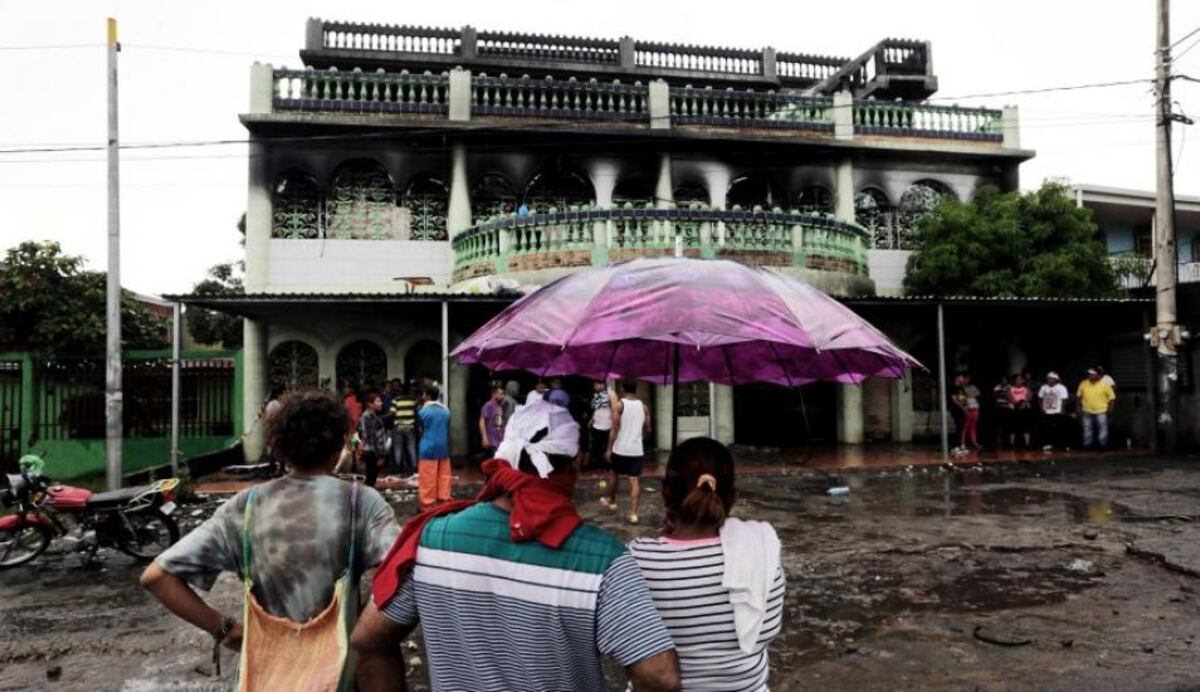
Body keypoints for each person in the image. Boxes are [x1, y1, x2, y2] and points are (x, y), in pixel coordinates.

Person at [352, 401, 680, 692]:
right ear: (576, 462)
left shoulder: (432, 538)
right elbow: (659, 677)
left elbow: (368, 640)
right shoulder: (603, 559)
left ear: (504, 455)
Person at [141, 391, 400, 688]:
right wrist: (370, 631)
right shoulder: (363, 503)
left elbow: (157, 577)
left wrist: (226, 630)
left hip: (266, 673)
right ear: (339, 446)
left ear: (279, 448)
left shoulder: (245, 507)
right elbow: (403, 576)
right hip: (337, 673)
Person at [629, 437, 785, 692]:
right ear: (733, 497)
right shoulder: (762, 552)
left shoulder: (637, 559)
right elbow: (764, 633)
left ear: (664, 491)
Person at [602, 379, 652, 525]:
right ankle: (634, 514)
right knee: (634, 481)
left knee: (615, 474)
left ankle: (612, 501)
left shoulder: (619, 405)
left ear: (623, 389)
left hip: (621, 448)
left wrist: (609, 448)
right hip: (636, 450)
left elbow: (614, 428)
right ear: (635, 389)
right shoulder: (643, 407)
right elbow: (648, 428)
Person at [416, 386, 452, 508]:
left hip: (428, 446)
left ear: (427, 396)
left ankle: (427, 502)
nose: (422, 397)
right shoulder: (446, 411)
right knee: (444, 476)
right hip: (443, 447)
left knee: (427, 477)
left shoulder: (422, 412)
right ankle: (444, 498)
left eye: (424, 394)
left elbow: (420, 429)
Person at [1077, 368, 1116, 449]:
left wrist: (1110, 409)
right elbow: (1079, 397)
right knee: (1087, 428)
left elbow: (1112, 398)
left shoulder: (1105, 385)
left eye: (1092, 374)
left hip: (1101, 410)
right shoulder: (1083, 383)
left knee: (1102, 428)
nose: (1089, 376)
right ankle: (1087, 445)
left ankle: (1103, 445)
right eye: (1089, 374)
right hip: (1087, 409)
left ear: (1097, 375)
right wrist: (1078, 407)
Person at [359, 389, 391, 488]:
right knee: (371, 478)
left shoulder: (372, 416)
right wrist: (380, 455)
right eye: (377, 401)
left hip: (372, 451)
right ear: (370, 404)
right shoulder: (368, 417)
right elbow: (372, 438)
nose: (380, 403)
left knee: (371, 477)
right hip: (372, 452)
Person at [582, 380, 614, 471]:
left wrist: (614, 422)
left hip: (607, 424)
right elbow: (596, 410)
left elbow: (613, 409)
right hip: (597, 425)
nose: (595, 387)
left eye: (596, 385)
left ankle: (608, 465)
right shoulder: (594, 397)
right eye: (594, 385)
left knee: (606, 446)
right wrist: (591, 420)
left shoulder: (610, 395)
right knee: (596, 447)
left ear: (602, 385)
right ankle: (598, 464)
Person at [1038, 372, 1070, 451]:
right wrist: (1041, 408)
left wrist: (1062, 410)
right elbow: (1040, 398)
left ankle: (1063, 445)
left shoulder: (1061, 388)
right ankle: (1048, 444)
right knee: (1047, 429)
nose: (1049, 380)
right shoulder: (1044, 387)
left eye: (1051, 378)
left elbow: (1064, 400)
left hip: (1057, 411)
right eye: (1048, 378)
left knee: (1060, 428)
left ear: (1056, 379)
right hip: (1047, 411)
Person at [479, 384, 506, 453]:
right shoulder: (488, 405)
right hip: (492, 441)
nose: (502, 396)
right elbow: (482, 421)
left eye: (503, 394)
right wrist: (484, 438)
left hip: (499, 441)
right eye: (501, 394)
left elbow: (498, 424)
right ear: (494, 394)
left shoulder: (499, 407)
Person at [1008, 374, 1033, 448]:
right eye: (1018, 379)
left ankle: (1027, 444)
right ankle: (1012, 444)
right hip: (1014, 409)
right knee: (1012, 427)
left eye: (1021, 379)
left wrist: (1024, 403)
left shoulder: (1026, 389)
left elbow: (1029, 396)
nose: (1019, 381)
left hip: (1024, 409)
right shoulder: (1010, 388)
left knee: (1026, 427)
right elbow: (1009, 396)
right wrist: (1016, 403)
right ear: (1014, 380)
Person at [991, 378, 1011, 449]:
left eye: (1005, 380)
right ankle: (998, 440)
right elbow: (995, 396)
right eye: (1002, 380)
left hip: (1006, 408)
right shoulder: (997, 387)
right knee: (998, 424)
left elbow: (1009, 396)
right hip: (998, 408)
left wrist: (1003, 393)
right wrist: (1002, 393)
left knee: (1006, 425)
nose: (1004, 381)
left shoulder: (1009, 386)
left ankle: (1006, 441)